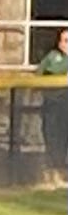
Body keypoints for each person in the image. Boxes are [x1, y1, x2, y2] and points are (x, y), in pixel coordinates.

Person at [39, 30, 67, 173]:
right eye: (64, 41)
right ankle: (53, 168)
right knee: (51, 133)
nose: (66, 44)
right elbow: (39, 73)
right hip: (52, 102)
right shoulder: (51, 56)